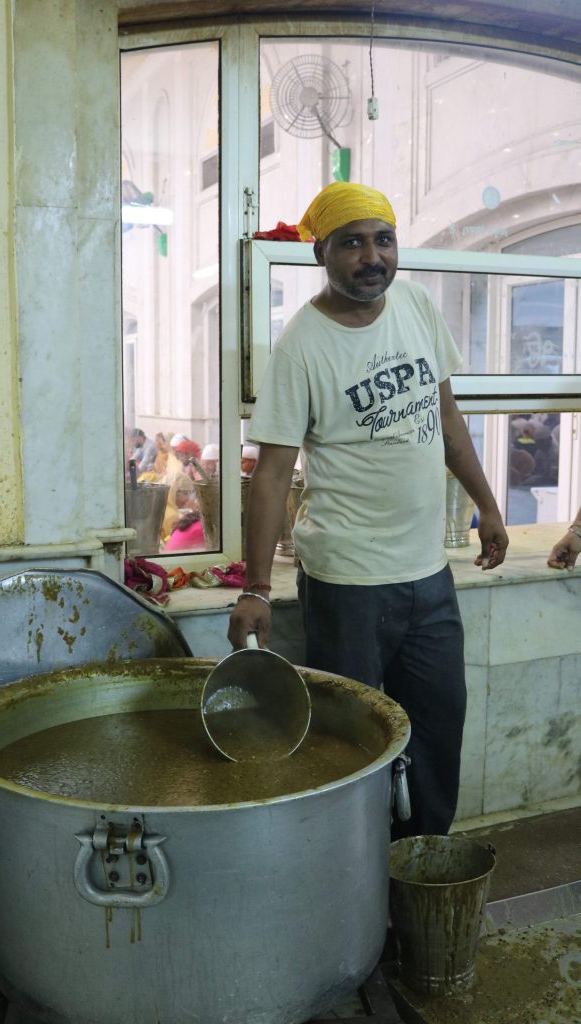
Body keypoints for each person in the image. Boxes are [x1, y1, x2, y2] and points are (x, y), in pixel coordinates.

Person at [228, 181, 509, 840]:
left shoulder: (414, 306)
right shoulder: (301, 344)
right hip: (349, 584)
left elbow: (446, 421)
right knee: (355, 750)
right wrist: (255, 587)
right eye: (351, 243)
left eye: (382, 240)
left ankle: (422, 873)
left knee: (438, 733)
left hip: (427, 577)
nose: (371, 256)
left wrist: (486, 506)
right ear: (321, 252)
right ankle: (356, 891)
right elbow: (269, 475)